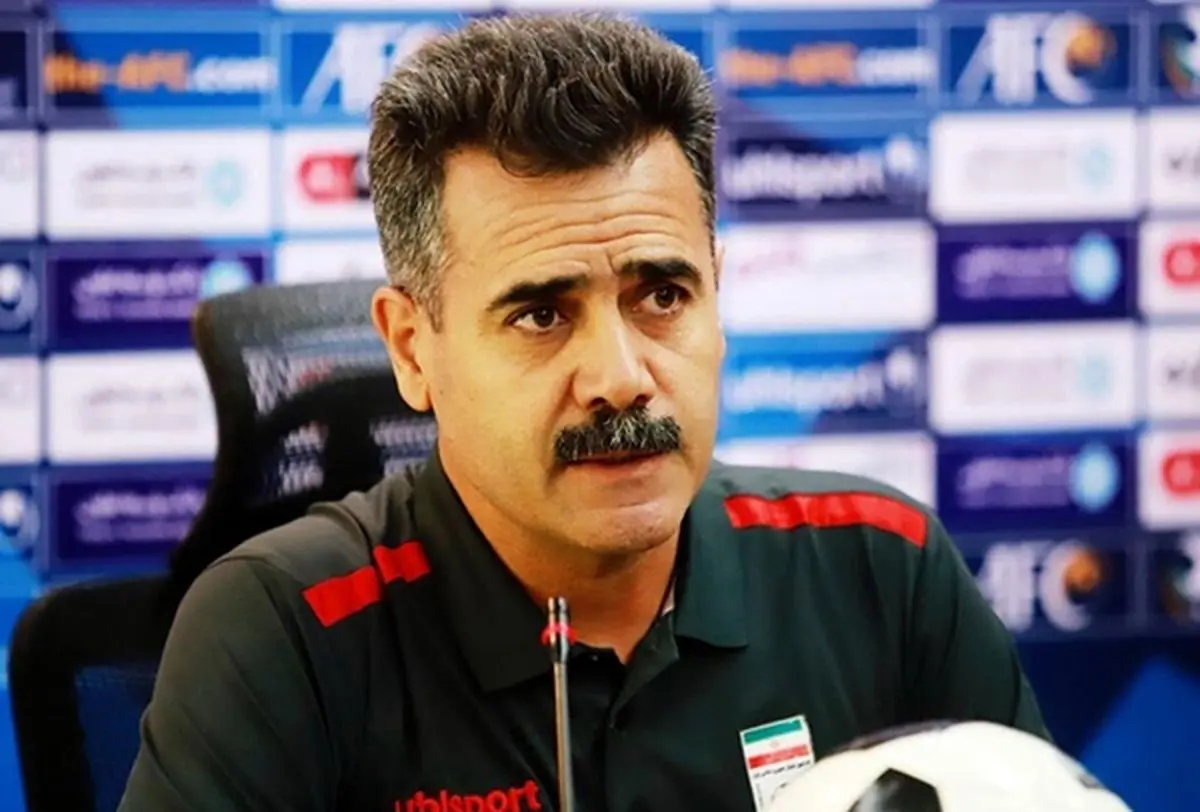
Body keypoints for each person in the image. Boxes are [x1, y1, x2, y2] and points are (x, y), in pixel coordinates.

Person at [118, 12, 1047, 812]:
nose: (621, 377)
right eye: (540, 314)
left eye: (663, 296)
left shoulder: (883, 567)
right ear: (411, 347)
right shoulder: (281, 629)